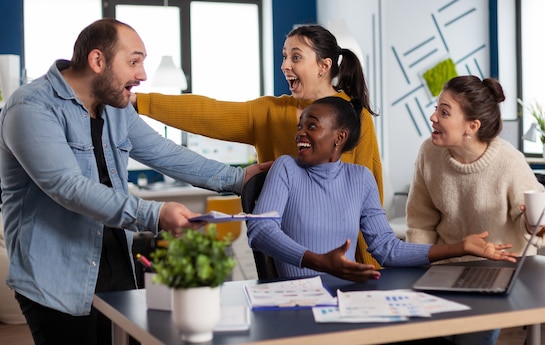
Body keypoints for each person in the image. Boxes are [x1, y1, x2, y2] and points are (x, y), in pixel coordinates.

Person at [0, 18, 270, 345]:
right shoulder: (31, 106)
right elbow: (66, 187)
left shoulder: (116, 108)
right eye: (133, 62)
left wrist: (239, 178)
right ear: (97, 60)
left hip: (119, 267)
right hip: (57, 278)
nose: (141, 75)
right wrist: (154, 215)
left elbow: (163, 152)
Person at [132, 24, 383, 267]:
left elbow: (369, 204)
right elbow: (210, 112)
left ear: (323, 66)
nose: (285, 65)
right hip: (285, 256)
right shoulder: (268, 112)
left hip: (343, 260)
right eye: (285, 56)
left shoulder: (355, 116)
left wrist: (375, 270)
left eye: (296, 57)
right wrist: (138, 101)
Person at [246, 96, 517, 283]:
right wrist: (318, 261)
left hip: (347, 301)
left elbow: (386, 248)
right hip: (297, 305)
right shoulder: (286, 168)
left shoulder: (360, 178)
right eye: (300, 126)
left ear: (339, 137)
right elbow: (261, 230)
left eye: (311, 126)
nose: (299, 133)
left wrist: (460, 247)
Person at [405, 75, 545, 345]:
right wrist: (420, 273)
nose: (433, 117)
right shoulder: (429, 154)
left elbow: (532, 222)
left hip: (498, 273)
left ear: (471, 126)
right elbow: (420, 223)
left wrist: (539, 219)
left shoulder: (508, 161)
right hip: (445, 270)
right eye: (435, 108)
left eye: (444, 112)